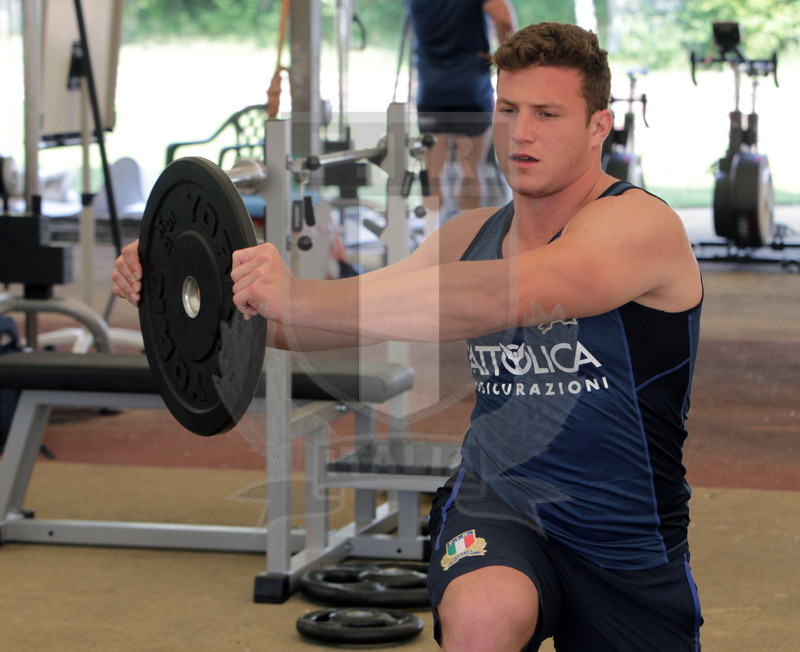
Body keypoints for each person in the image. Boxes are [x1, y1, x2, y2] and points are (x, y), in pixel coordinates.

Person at [113, 22, 703, 651]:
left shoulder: (639, 225)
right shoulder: (468, 236)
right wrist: (173, 286)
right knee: (482, 618)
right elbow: (303, 322)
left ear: (597, 126)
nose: (521, 132)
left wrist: (299, 292)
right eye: (508, 110)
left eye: (547, 114)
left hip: (625, 533)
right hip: (498, 505)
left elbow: (502, 295)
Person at [405, 0, 517, 230]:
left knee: (432, 172)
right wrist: (505, 59)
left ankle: (431, 239)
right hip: (471, 88)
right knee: (471, 169)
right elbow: (504, 19)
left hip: (432, 87)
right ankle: (467, 239)